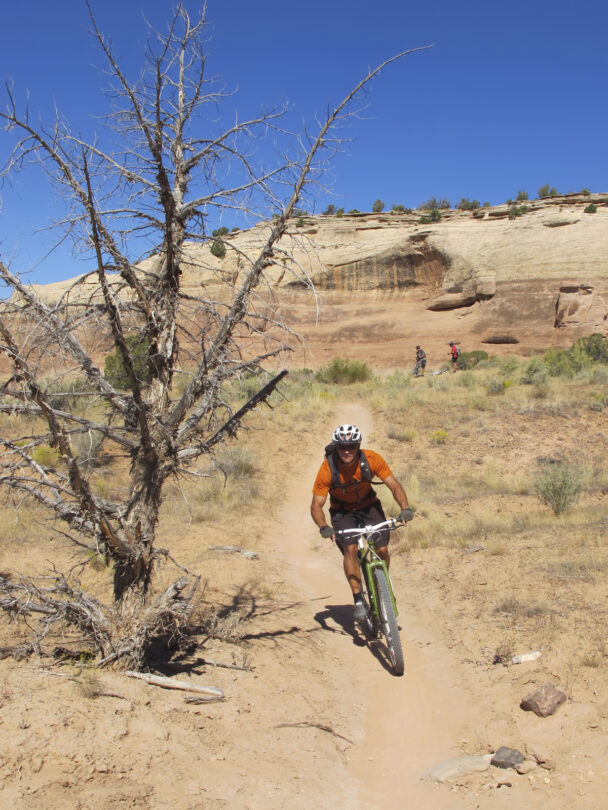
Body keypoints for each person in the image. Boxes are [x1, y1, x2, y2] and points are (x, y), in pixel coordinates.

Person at [310, 424, 413, 621]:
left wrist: (405, 508)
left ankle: (383, 586)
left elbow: (394, 485)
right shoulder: (327, 468)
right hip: (342, 512)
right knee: (350, 549)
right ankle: (358, 599)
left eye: (351, 445)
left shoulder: (371, 459)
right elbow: (316, 504)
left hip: (369, 507)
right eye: (342, 447)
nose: (346, 451)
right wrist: (323, 526)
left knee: (382, 550)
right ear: (336, 447)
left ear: (358, 445)